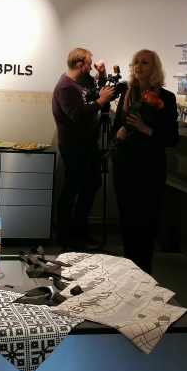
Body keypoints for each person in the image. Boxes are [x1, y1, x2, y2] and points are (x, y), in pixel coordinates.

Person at [110, 49, 179, 274]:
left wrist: (146, 129)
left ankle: (144, 276)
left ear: (154, 68)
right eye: (136, 62)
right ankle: (129, 272)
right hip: (124, 167)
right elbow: (114, 129)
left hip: (150, 170)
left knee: (146, 224)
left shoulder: (166, 98)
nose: (138, 66)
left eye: (144, 62)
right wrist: (119, 132)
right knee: (127, 223)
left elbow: (172, 138)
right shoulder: (126, 94)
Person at [52, 47, 114, 250]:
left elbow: (97, 86)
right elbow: (78, 116)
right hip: (73, 146)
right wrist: (101, 101)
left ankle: (80, 228)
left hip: (88, 143)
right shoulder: (65, 87)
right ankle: (64, 235)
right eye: (89, 64)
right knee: (72, 189)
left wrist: (102, 74)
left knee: (92, 183)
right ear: (80, 65)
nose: (91, 67)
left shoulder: (84, 80)